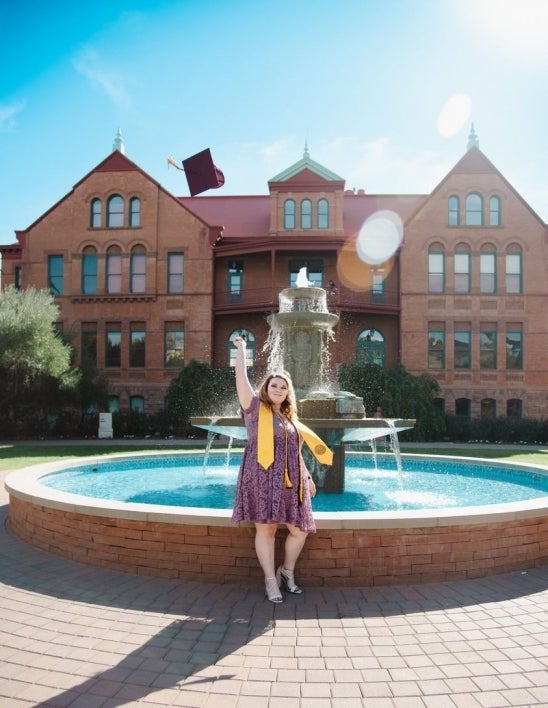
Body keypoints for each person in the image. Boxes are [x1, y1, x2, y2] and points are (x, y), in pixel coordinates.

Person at [231, 336, 333, 603]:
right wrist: (242, 351)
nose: (278, 389)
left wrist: (308, 475)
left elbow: (295, 450)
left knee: (299, 529)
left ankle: (286, 571)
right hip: (262, 476)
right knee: (266, 530)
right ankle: (269, 581)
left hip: (290, 479)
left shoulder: (290, 418)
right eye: (274, 385)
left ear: (288, 393)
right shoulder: (254, 409)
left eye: (283, 387)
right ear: (266, 388)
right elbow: (241, 379)